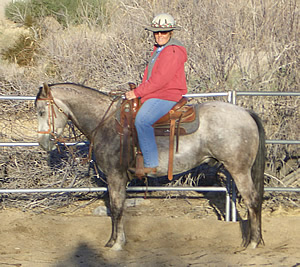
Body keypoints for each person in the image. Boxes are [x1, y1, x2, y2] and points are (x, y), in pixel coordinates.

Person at [125, 13, 187, 176]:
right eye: (156, 32)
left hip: (167, 95)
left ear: (171, 33)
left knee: (142, 120)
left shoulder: (172, 51)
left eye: (163, 32)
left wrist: (137, 92)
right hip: (157, 93)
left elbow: (160, 80)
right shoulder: (160, 50)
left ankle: (151, 164)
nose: (159, 35)